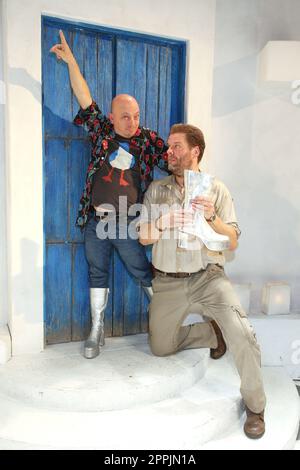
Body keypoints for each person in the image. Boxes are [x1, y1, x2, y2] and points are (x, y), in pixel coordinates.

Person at [138, 123, 266, 439]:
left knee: (244, 334)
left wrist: (213, 219)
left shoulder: (216, 189)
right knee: (160, 346)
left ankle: (256, 407)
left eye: (176, 147)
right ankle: (212, 332)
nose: (169, 152)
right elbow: (143, 237)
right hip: (168, 282)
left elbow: (232, 241)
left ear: (195, 151)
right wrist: (162, 221)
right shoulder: (157, 189)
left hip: (209, 278)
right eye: (168, 147)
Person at [50, 31, 169, 359]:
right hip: (96, 219)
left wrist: (195, 169)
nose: (132, 122)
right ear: (113, 117)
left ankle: (163, 322)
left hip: (128, 221)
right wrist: (72, 61)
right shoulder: (101, 129)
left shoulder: (147, 140)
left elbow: (173, 160)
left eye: (137, 116)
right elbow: (83, 94)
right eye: (126, 117)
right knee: (96, 271)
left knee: (141, 271)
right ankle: (97, 328)